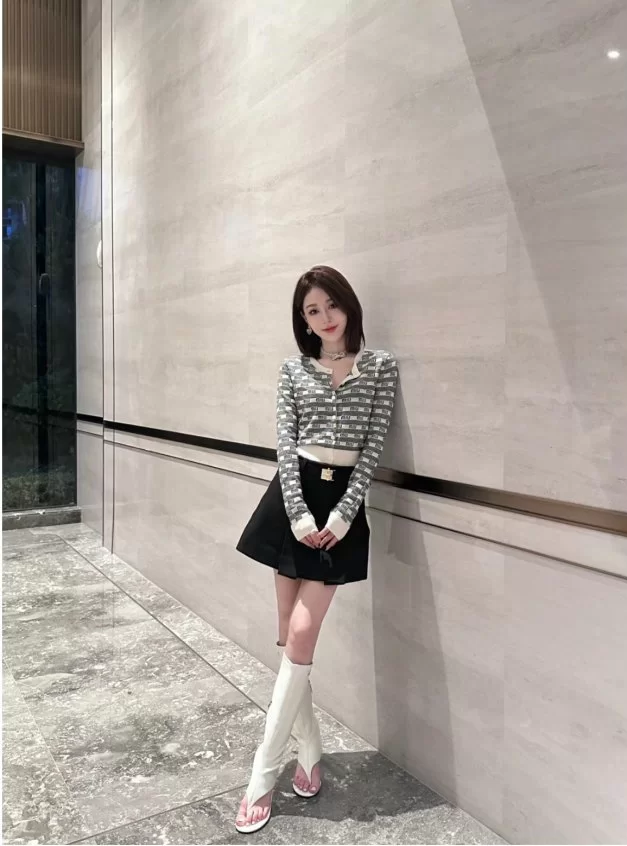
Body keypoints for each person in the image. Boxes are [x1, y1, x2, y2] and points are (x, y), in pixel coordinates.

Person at [234, 265, 399, 833]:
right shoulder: (293, 370)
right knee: (289, 636)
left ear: (348, 305)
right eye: (312, 311)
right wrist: (301, 515)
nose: (325, 317)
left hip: (340, 505)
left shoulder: (380, 367)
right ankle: (308, 753)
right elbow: (285, 446)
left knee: (302, 633)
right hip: (292, 500)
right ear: (303, 321)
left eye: (332, 305)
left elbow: (373, 447)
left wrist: (344, 514)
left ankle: (261, 775)